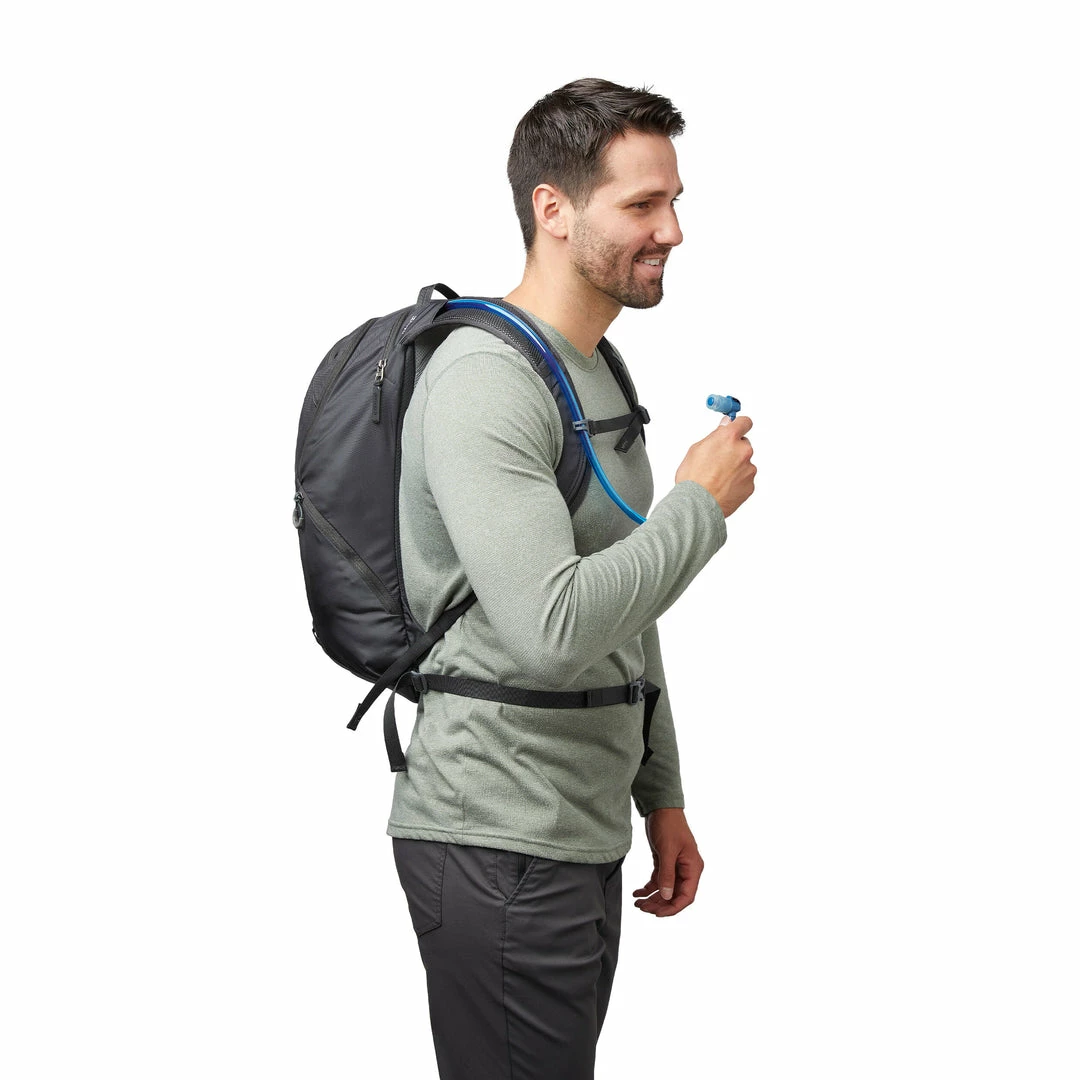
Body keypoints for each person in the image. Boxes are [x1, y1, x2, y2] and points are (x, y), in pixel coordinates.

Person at [388, 77, 756, 1079]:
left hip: (576, 828)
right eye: (643, 203)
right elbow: (553, 629)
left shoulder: (594, 368)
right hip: (498, 832)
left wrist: (661, 793)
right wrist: (697, 508)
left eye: (674, 200)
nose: (672, 229)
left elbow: (625, 603)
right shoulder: (485, 380)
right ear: (552, 209)